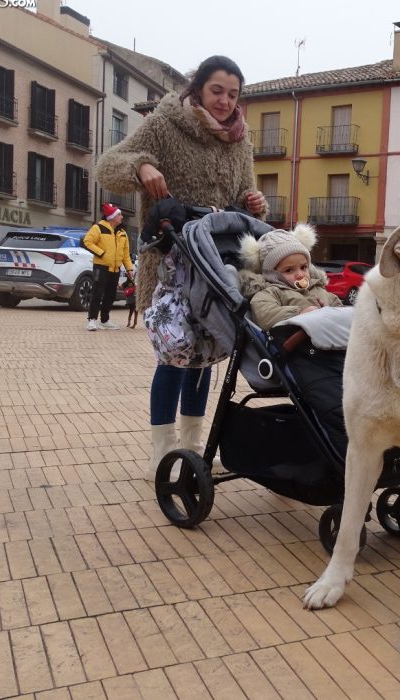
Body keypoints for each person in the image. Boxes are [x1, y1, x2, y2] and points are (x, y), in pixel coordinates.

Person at [97, 55, 266, 477]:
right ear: (197, 89)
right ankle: (162, 449)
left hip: (214, 262)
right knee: (173, 353)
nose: (226, 101)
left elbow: (244, 192)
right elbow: (106, 167)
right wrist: (143, 166)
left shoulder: (240, 141)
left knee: (205, 353)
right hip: (169, 262)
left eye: (233, 94)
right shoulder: (165, 123)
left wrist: (255, 201)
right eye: (217, 91)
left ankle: (192, 447)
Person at [238, 226, 342, 332]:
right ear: (272, 274)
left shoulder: (319, 289)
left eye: (303, 267)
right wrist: (299, 313)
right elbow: (265, 315)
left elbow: (340, 310)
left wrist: (330, 311)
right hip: (299, 343)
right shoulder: (271, 292)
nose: (300, 275)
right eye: (289, 270)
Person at [82, 202, 134, 331]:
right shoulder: (98, 227)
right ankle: (92, 320)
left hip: (115, 269)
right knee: (97, 293)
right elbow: (87, 241)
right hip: (101, 267)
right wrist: (101, 253)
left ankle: (105, 320)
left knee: (110, 295)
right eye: (119, 215)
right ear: (112, 217)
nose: (121, 217)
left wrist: (129, 269)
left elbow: (126, 254)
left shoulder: (122, 233)